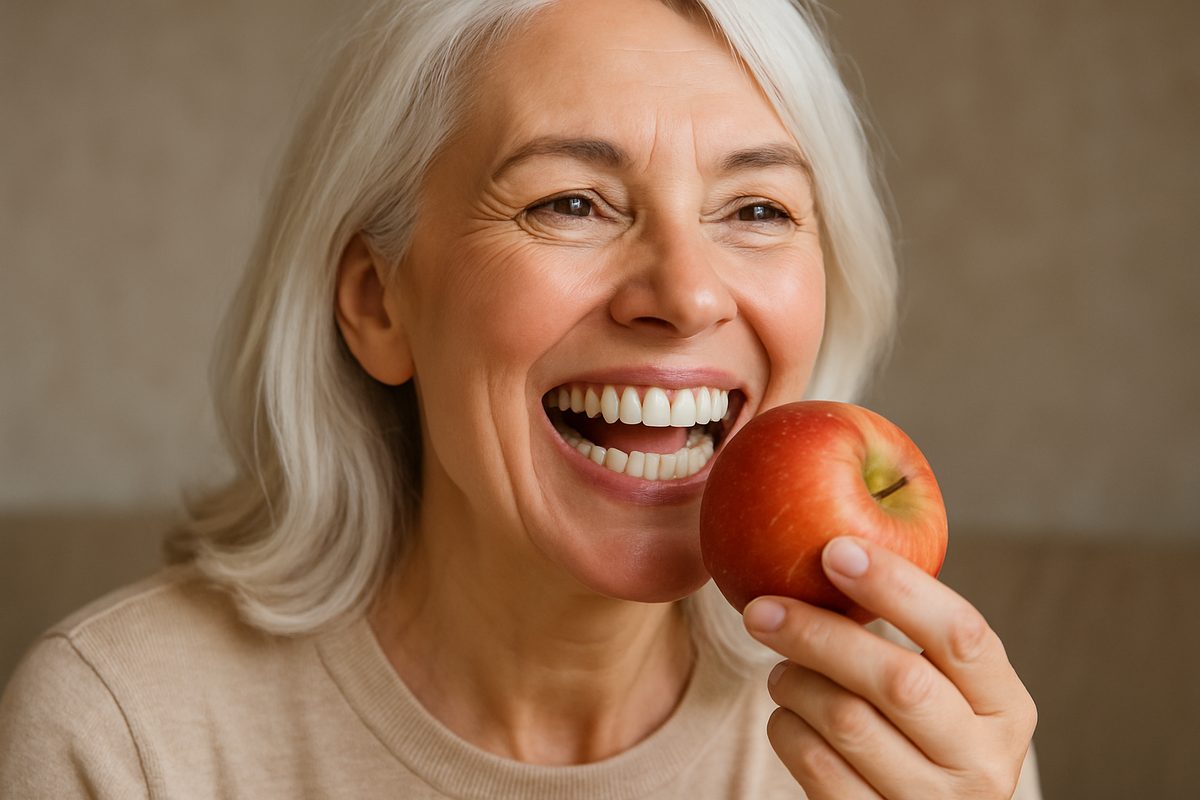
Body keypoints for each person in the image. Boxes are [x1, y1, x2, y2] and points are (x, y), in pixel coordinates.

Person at [0, 0, 1041, 796]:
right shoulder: (126, 729)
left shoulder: (903, 742)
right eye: (571, 202)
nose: (685, 293)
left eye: (757, 207)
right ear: (379, 304)